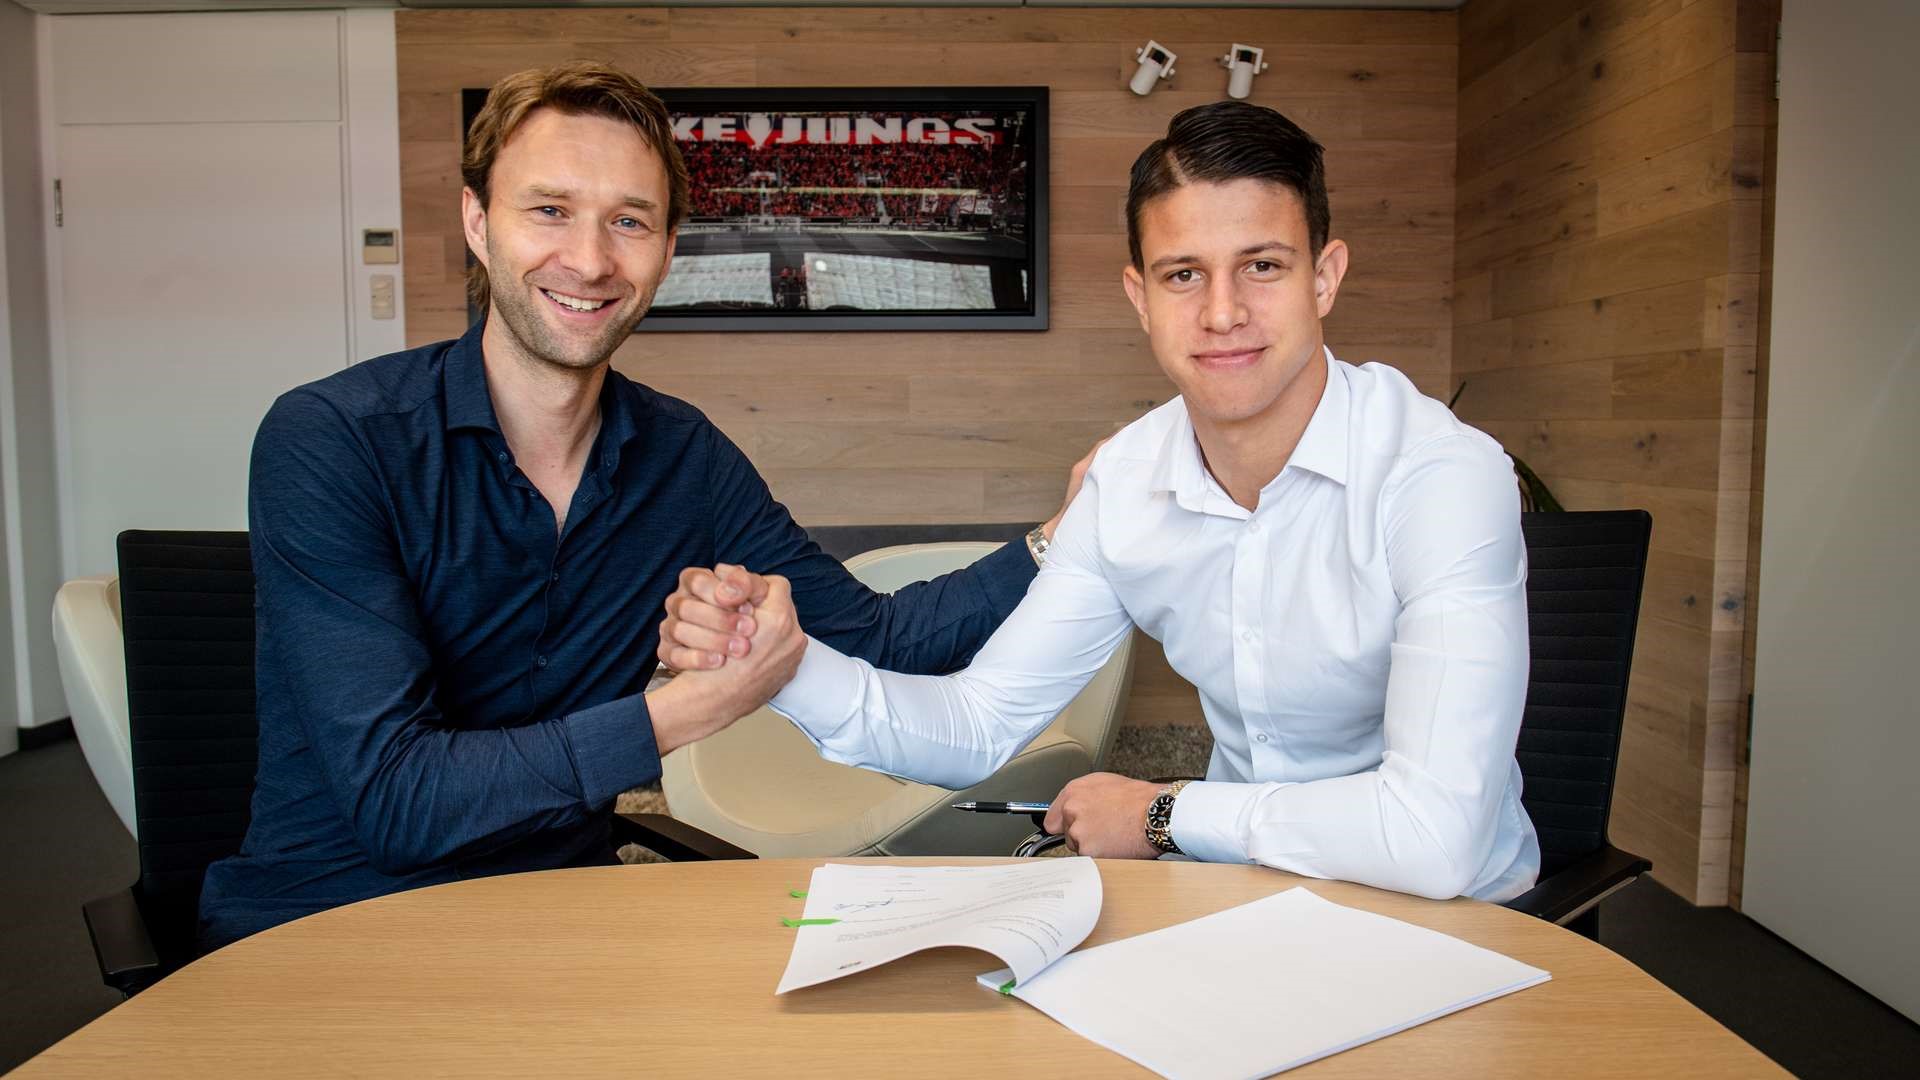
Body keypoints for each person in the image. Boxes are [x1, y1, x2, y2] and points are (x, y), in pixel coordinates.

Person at [197, 61, 1090, 951]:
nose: (589, 261)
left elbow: (883, 641)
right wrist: (696, 706)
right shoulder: (333, 438)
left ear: (667, 250)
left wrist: (1061, 535)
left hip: (563, 927)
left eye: (628, 221)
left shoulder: (683, 457)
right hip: (323, 928)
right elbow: (401, 801)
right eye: (550, 210)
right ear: (477, 222)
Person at [660, 101, 1539, 902]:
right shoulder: (1128, 482)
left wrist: (1163, 815)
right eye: (1184, 274)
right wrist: (784, 664)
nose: (1223, 312)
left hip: (1452, 918)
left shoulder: (1440, 476)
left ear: (1324, 277)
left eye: (1263, 266)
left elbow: (1433, 838)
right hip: (1246, 897)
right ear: (1140, 298)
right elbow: (977, 723)